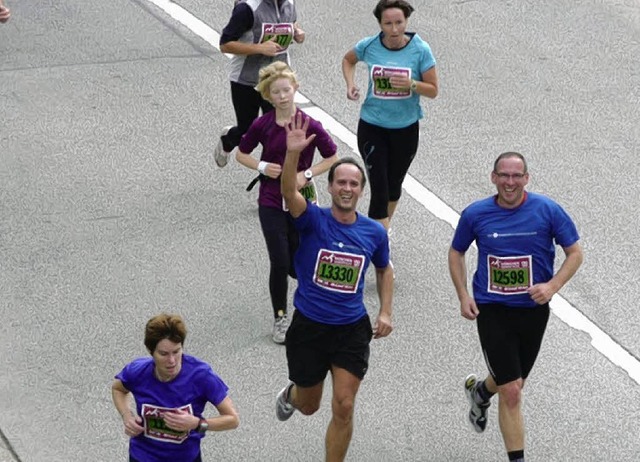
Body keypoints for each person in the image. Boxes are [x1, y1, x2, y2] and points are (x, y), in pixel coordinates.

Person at [448, 152, 583, 462]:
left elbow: (575, 253)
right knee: (512, 391)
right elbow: (456, 253)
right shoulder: (476, 214)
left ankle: (481, 392)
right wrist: (463, 295)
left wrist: (552, 287)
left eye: (516, 176)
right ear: (493, 177)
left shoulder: (547, 211)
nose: (510, 182)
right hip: (492, 309)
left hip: (533, 310)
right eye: (504, 175)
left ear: (526, 178)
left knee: (515, 380)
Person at [274, 113, 394, 462]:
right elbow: (287, 191)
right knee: (310, 406)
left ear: (360, 190)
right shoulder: (313, 218)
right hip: (309, 326)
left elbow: (385, 270)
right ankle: (292, 395)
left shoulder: (373, 232)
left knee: (344, 405)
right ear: (330, 188)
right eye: (340, 182)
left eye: (353, 184)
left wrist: (386, 310)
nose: (346, 188)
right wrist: (293, 153)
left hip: (350, 329)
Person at [235, 61, 338, 344]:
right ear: (267, 96)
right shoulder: (263, 124)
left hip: (302, 200)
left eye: (286, 90)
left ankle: (313, 310)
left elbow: (332, 156)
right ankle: (281, 317)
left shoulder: (310, 124)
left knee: (301, 262)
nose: (282, 96)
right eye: (275, 92)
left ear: (295, 89)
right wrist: (262, 166)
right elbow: (241, 154)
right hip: (270, 199)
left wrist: (307, 174)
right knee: (279, 261)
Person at [342, 0, 438, 234]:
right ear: (380, 24)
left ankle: (381, 230)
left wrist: (412, 84)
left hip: (405, 129)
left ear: (406, 21)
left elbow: (433, 90)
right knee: (379, 188)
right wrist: (351, 84)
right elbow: (348, 60)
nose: (394, 29)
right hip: (372, 126)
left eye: (399, 23)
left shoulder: (420, 50)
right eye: (388, 24)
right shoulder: (369, 45)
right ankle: (378, 245)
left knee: (394, 187)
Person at [112, 313, 239, 462]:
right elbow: (118, 389)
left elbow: (232, 419)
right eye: (164, 354)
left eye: (176, 351)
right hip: (142, 456)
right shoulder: (138, 371)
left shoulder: (201, 376)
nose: (171, 361)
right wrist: (127, 416)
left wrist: (197, 424)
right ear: (151, 351)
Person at [214, 0, 305, 168]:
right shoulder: (247, 8)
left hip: (277, 79)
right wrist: (259, 48)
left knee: (278, 129)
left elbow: (290, 22)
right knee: (248, 129)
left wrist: (297, 32)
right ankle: (228, 139)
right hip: (246, 79)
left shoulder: (289, 3)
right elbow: (225, 44)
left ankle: (278, 176)